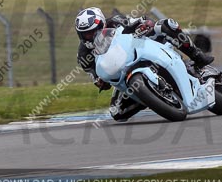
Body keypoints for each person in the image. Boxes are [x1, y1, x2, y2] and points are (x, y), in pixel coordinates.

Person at [75, 7, 214, 121]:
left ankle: (197, 55)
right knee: (117, 112)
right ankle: (150, 97)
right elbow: (95, 76)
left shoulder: (115, 21)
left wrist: (144, 24)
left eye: (93, 31)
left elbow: (139, 21)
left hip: (141, 46)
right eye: (86, 33)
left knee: (167, 25)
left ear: (103, 24)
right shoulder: (83, 55)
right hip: (123, 73)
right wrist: (100, 82)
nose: (90, 35)